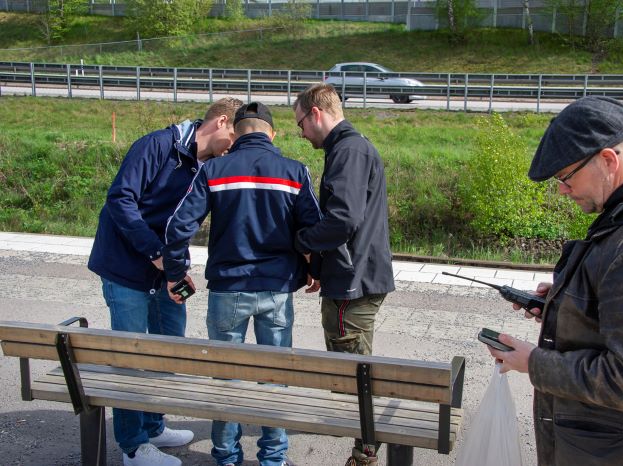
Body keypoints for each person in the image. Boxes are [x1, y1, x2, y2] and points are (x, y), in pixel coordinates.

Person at [488, 96, 623, 465]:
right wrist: (568, 303)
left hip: (619, 450)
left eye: (566, 177)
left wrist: (533, 362)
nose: (562, 190)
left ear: (608, 160)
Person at [162, 102, 321, 466]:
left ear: (236, 132)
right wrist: (317, 269)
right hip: (277, 289)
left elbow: (178, 227)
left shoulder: (215, 170)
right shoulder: (295, 172)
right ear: (272, 134)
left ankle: (226, 456)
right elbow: (313, 229)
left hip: (227, 289)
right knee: (274, 378)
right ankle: (273, 458)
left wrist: (175, 271)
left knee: (226, 379)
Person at [88, 96, 243, 466]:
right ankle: (133, 446)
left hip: (165, 271)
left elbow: (182, 224)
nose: (236, 147)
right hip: (126, 265)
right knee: (131, 356)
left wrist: (175, 265)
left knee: (168, 346)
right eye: (237, 136)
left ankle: (154, 425)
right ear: (221, 122)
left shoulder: (209, 165)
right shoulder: (158, 145)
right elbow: (120, 199)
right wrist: (155, 252)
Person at [292, 83, 395, 465]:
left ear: (316, 114)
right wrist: (320, 264)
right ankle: (366, 437)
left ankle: (365, 451)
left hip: (352, 282)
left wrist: (303, 241)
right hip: (359, 273)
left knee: (353, 371)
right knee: (358, 363)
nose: (300, 132)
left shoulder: (348, 151)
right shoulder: (351, 147)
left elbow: (343, 220)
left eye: (300, 123)